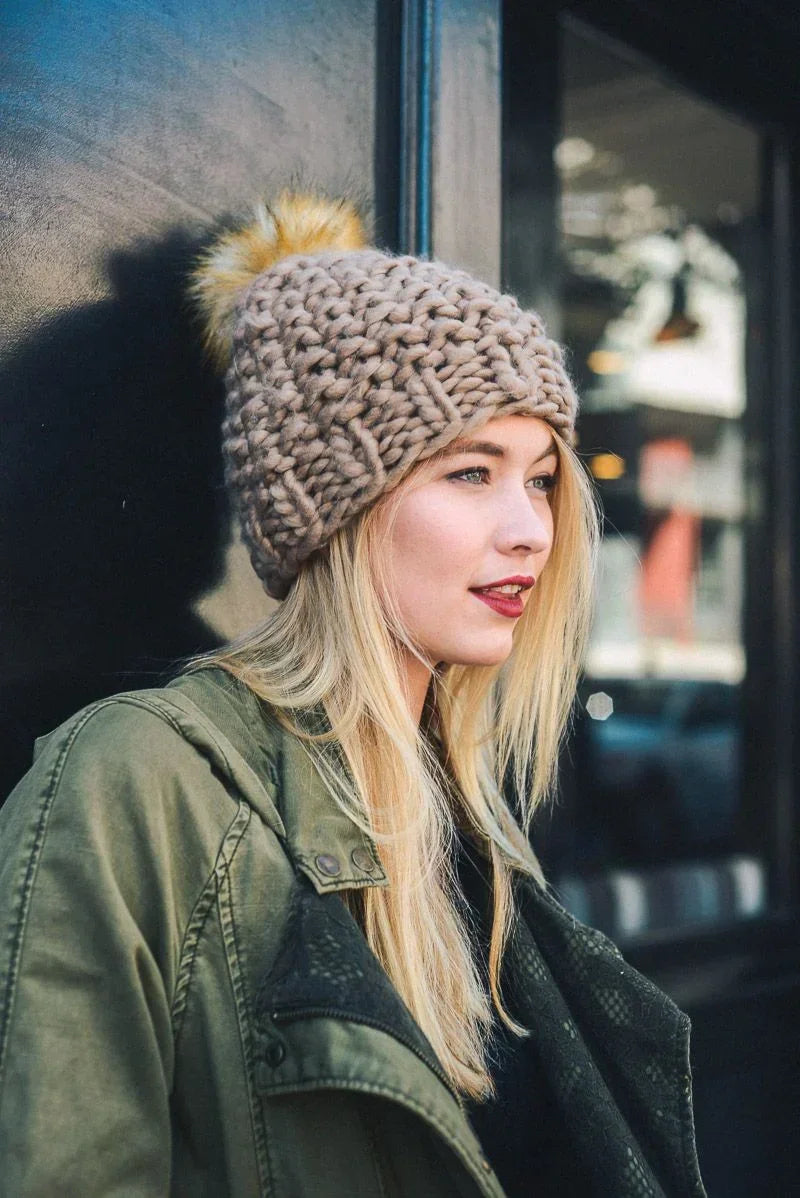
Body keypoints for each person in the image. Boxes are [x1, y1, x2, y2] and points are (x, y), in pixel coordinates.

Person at [0, 191, 706, 1197]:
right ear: (336, 505)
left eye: (540, 478)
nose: (529, 531)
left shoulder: (470, 813)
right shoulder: (131, 781)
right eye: (470, 472)